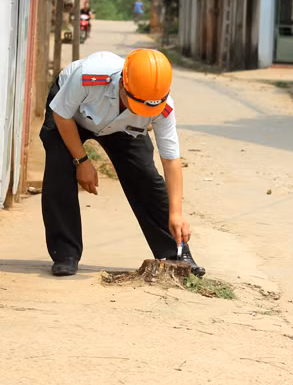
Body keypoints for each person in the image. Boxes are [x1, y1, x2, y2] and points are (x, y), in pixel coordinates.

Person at [39, 48, 206, 277]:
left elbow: (171, 160)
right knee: (59, 168)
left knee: (145, 176)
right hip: (70, 116)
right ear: (122, 84)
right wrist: (82, 161)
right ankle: (65, 254)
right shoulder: (89, 76)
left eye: (149, 108)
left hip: (121, 127)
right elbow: (61, 115)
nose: (142, 111)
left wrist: (176, 213)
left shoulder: (163, 106)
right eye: (137, 104)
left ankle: (175, 254)